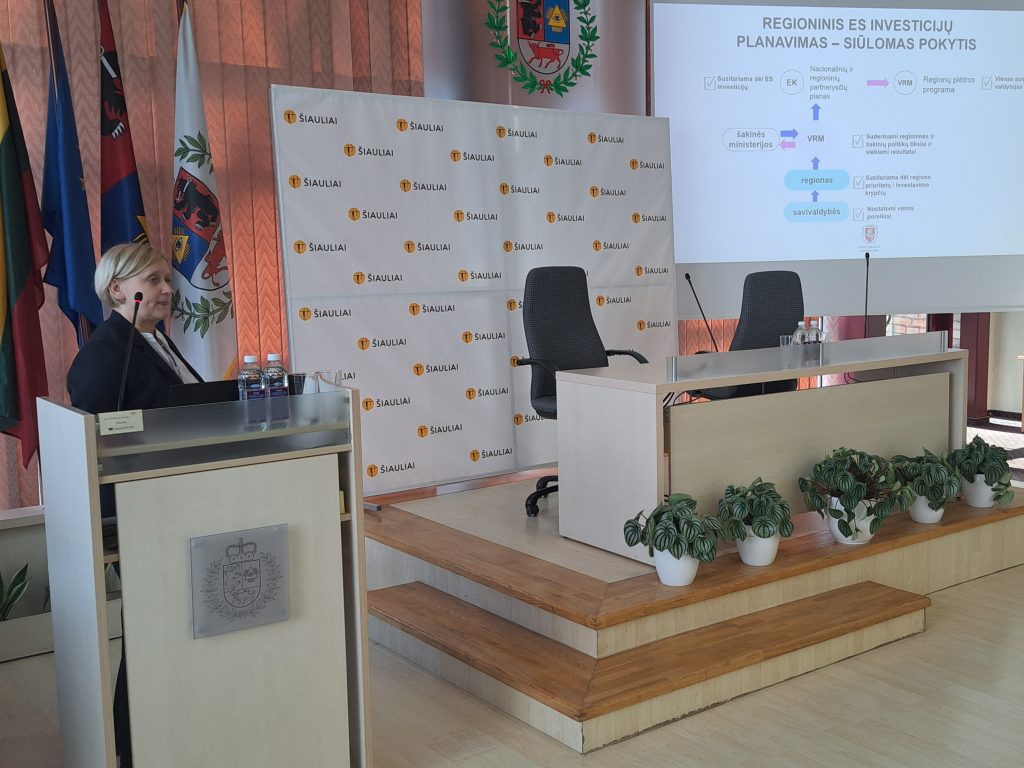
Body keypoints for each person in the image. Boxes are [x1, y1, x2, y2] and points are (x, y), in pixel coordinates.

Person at [67, 242, 204, 767]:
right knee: (150, 632)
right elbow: (95, 427)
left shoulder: (156, 341)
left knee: (177, 629)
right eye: (154, 280)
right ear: (117, 289)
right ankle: (132, 746)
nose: (167, 289)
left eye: (168, 280)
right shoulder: (107, 352)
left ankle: (177, 733)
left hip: (184, 501)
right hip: (142, 512)